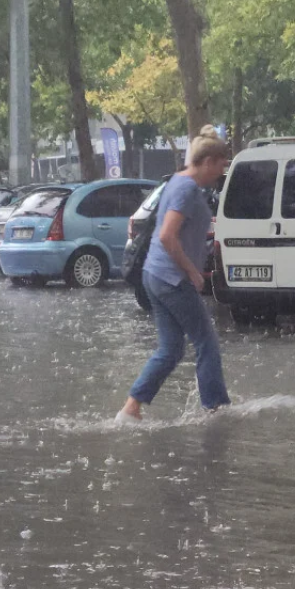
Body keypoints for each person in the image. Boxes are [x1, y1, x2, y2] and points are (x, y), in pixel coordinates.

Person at [116, 126, 231, 424]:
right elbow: (167, 235)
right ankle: (216, 410)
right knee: (206, 342)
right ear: (207, 162)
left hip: (155, 275)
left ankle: (131, 408)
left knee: (171, 349)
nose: (221, 172)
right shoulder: (186, 189)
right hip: (172, 279)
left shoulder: (178, 182)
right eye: (221, 165)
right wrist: (193, 271)